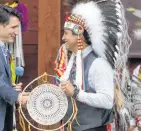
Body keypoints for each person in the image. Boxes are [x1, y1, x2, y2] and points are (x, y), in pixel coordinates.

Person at [55, 0, 131, 130]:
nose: (63, 38)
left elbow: (107, 100)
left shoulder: (98, 64)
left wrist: (77, 93)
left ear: (80, 37)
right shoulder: (74, 60)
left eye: (66, 33)